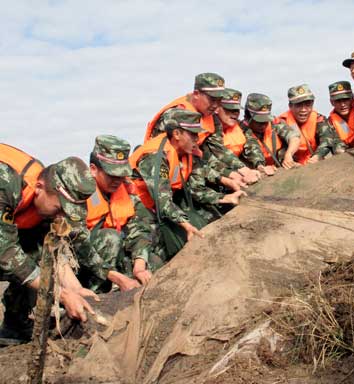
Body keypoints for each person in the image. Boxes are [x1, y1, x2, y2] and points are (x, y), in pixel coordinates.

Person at [0, 145, 100, 344]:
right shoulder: (5, 183)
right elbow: (5, 252)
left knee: (32, 249)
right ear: (39, 188)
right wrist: (62, 295)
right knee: (17, 260)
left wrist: (75, 289)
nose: (60, 216)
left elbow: (50, 251)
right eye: (59, 208)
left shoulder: (44, 196)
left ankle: (14, 326)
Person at [130, 110, 246, 258]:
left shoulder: (185, 154)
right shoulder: (155, 156)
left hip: (164, 207)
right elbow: (162, 200)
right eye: (192, 134)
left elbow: (196, 190)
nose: (197, 139)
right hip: (139, 210)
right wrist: (185, 225)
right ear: (177, 134)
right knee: (164, 249)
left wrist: (224, 198)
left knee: (207, 220)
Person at [145, 73, 259, 185]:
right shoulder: (175, 116)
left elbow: (218, 150)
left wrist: (243, 170)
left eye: (219, 100)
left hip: (187, 169)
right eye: (212, 99)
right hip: (160, 173)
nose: (215, 105)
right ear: (196, 94)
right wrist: (227, 176)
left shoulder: (212, 117)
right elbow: (166, 155)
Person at [85, 135, 158, 292]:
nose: (117, 180)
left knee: (151, 261)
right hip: (85, 267)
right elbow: (77, 248)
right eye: (112, 175)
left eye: (121, 174)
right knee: (110, 237)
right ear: (93, 169)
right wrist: (117, 277)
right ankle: (97, 296)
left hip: (115, 257)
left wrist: (139, 263)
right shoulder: (79, 195)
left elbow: (140, 227)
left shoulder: (125, 190)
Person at [278, 84, 344, 165]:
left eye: (308, 104)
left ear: (312, 104)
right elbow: (279, 149)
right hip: (294, 163)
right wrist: (288, 158)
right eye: (298, 105)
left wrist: (317, 156)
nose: (303, 109)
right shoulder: (282, 122)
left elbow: (326, 139)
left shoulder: (318, 119)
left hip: (315, 161)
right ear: (290, 106)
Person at [240, 93, 301, 170]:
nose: (263, 125)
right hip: (254, 168)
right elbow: (253, 150)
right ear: (248, 117)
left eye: (266, 121)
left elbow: (294, 137)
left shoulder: (274, 122)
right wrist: (261, 167)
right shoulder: (242, 130)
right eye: (259, 121)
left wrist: (289, 154)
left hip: (278, 165)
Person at [327, 81, 354, 148]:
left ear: (352, 98)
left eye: (345, 99)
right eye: (338, 101)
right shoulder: (330, 123)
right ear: (331, 102)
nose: (342, 104)